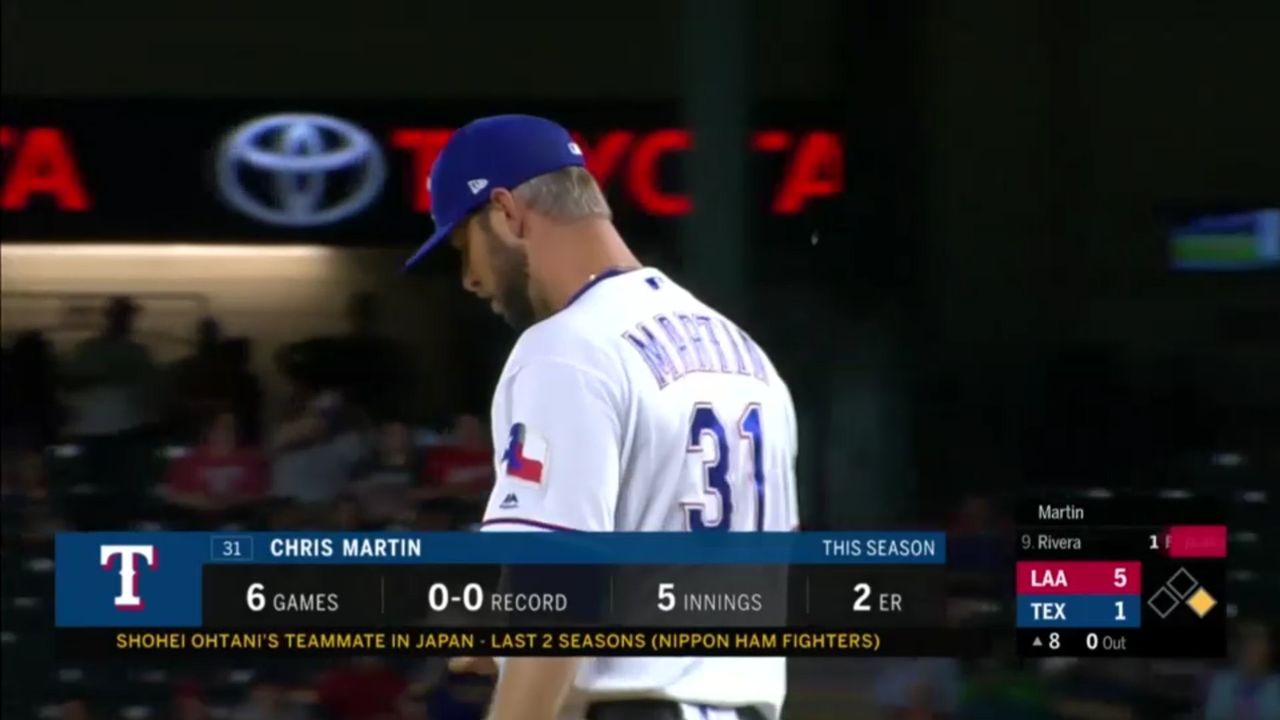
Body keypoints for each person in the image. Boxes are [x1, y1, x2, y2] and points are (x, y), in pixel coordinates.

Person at [404, 115, 800, 720]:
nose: (469, 279)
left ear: (507, 213)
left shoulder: (565, 348)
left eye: (464, 246)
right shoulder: (747, 356)